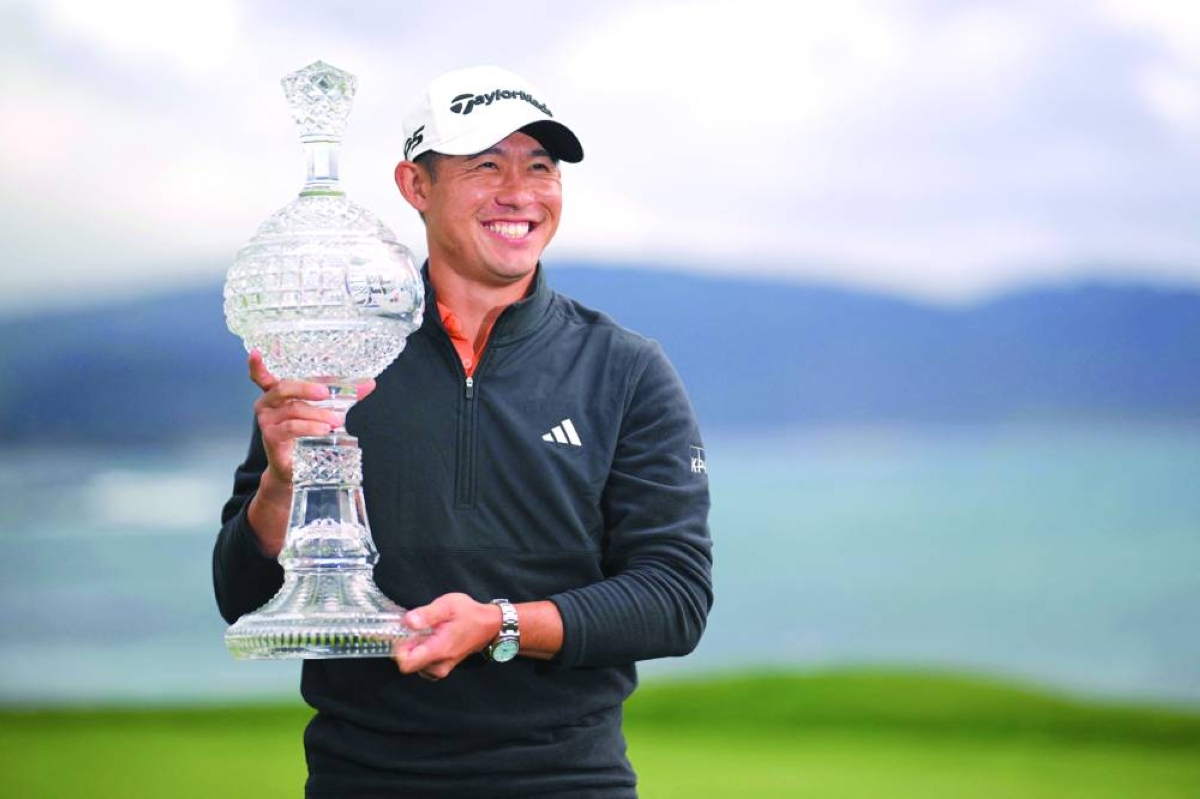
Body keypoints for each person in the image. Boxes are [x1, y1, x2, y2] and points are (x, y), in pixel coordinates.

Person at [213, 65, 713, 798]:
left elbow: (675, 596)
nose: (520, 193)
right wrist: (282, 484)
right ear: (416, 186)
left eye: (540, 167)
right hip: (365, 778)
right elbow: (242, 595)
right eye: (486, 166)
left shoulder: (624, 367)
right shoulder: (337, 351)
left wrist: (502, 623)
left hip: (570, 780)